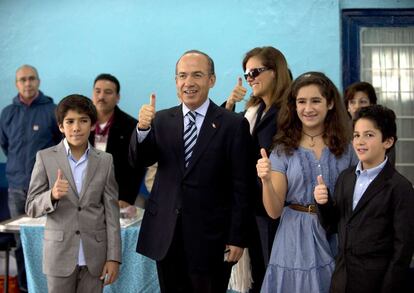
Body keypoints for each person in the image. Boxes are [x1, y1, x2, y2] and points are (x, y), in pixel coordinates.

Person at [129, 50, 255, 293]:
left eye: (197, 75)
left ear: (212, 80)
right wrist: (142, 128)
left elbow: (242, 186)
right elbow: (139, 160)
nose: (189, 82)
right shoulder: (162, 120)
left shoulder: (233, 124)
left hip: (213, 239)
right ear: (176, 82)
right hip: (166, 236)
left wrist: (237, 237)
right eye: (182, 76)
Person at [256, 72, 358, 293]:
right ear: (293, 106)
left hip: (338, 235)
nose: (308, 108)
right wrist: (266, 181)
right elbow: (274, 211)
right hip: (294, 239)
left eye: (316, 101)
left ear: (330, 103)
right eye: (301, 101)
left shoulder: (349, 147)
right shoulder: (282, 150)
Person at [25, 94, 121, 293]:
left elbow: (112, 214)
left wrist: (113, 258)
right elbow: (31, 206)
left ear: (93, 125)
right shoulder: (45, 158)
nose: (76, 128)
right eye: (70, 122)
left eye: (83, 121)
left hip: (95, 258)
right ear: (61, 126)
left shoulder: (105, 161)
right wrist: (51, 195)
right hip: (59, 257)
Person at [314, 104, 414, 293]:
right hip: (341, 282)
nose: (360, 141)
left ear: (388, 141)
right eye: (356, 135)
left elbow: (403, 250)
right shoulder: (346, 178)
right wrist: (324, 203)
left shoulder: (400, 188)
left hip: (376, 284)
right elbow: (333, 225)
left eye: (369, 135)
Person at [224, 46, 292, 292]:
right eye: (247, 73)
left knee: (272, 276)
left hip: (276, 206)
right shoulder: (255, 111)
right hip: (251, 206)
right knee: (258, 276)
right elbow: (227, 133)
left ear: (275, 72)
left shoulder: (289, 111)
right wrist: (231, 102)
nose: (250, 78)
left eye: (255, 72)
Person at [0, 64, 61, 292]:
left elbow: (59, 147)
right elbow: (6, 146)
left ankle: (48, 287)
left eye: (31, 78)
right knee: (21, 243)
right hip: (16, 188)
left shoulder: (52, 111)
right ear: (17, 84)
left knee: (48, 241)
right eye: (23, 79)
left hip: (45, 189)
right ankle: (27, 288)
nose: (27, 83)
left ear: (39, 81)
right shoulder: (7, 113)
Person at [89, 73, 146, 208]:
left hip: (117, 195)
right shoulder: (81, 123)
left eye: (108, 92)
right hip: (86, 195)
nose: (101, 97)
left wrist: (126, 197)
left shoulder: (131, 126)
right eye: (97, 91)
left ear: (117, 97)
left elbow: (136, 166)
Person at [344, 81, 396, 165]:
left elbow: (388, 165)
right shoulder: (340, 131)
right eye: (352, 102)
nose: (357, 106)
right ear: (347, 107)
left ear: (372, 104)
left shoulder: (382, 126)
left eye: (362, 102)